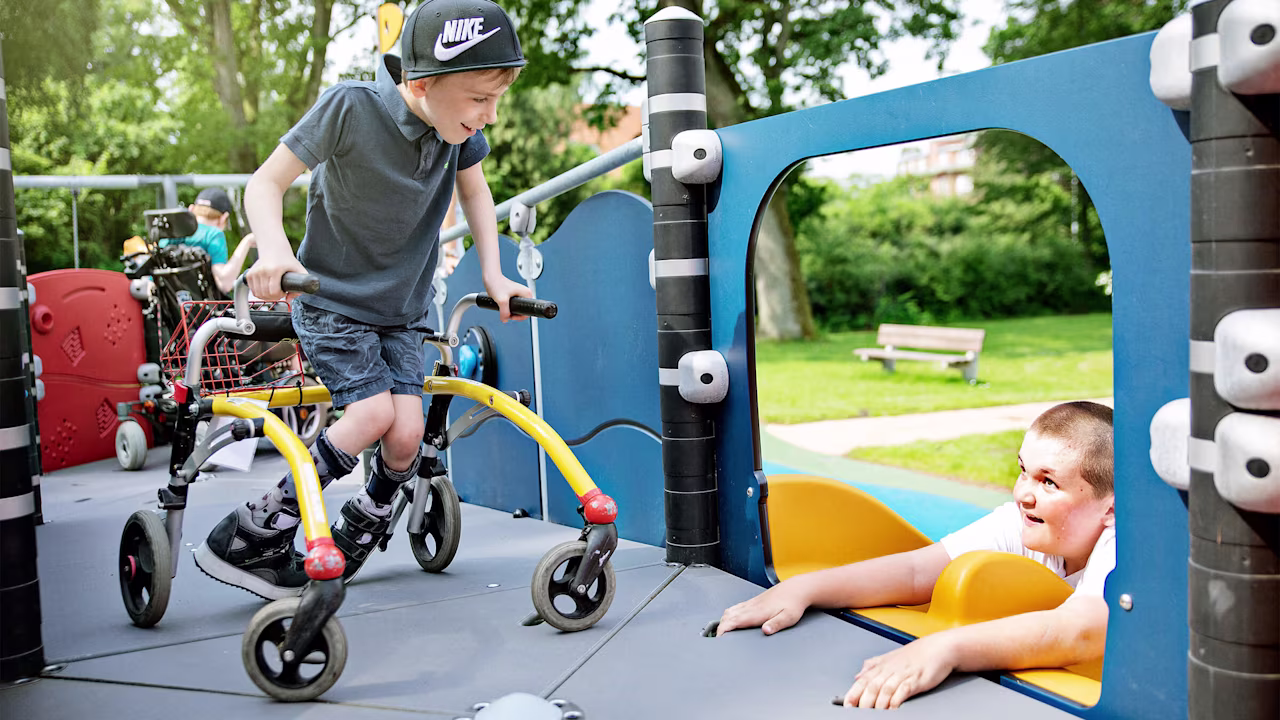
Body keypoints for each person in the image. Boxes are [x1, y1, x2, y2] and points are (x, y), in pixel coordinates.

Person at [194, 0, 531, 600]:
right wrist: (274, 252)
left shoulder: (457, 134)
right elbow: (265, 182)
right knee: (372, 416)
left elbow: (478, 197)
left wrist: (495, 273)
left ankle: (354, 534)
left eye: (497, 99)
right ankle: (249, 530)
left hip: (402, 314)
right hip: (333, 302)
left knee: (405, 438)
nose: (492, 115)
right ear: (423, 84)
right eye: (481, 98)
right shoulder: (351, 107)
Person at [717, 401, 1116, 709]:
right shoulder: (1024, 520)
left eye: (1049, 482)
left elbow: (1077, 631)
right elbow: (915, 572)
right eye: (1023, 470)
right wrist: (803, 588)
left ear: (1111, 508)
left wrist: (944, 647)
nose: (1022, 493)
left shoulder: (1122, 547)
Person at [158, 187, 257, 295]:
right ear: (224, 218)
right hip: (200, 308)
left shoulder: (169, 232)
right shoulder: (213, 234)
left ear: (191, 209)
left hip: (166, 305)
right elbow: (224, 283)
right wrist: (246, 242)